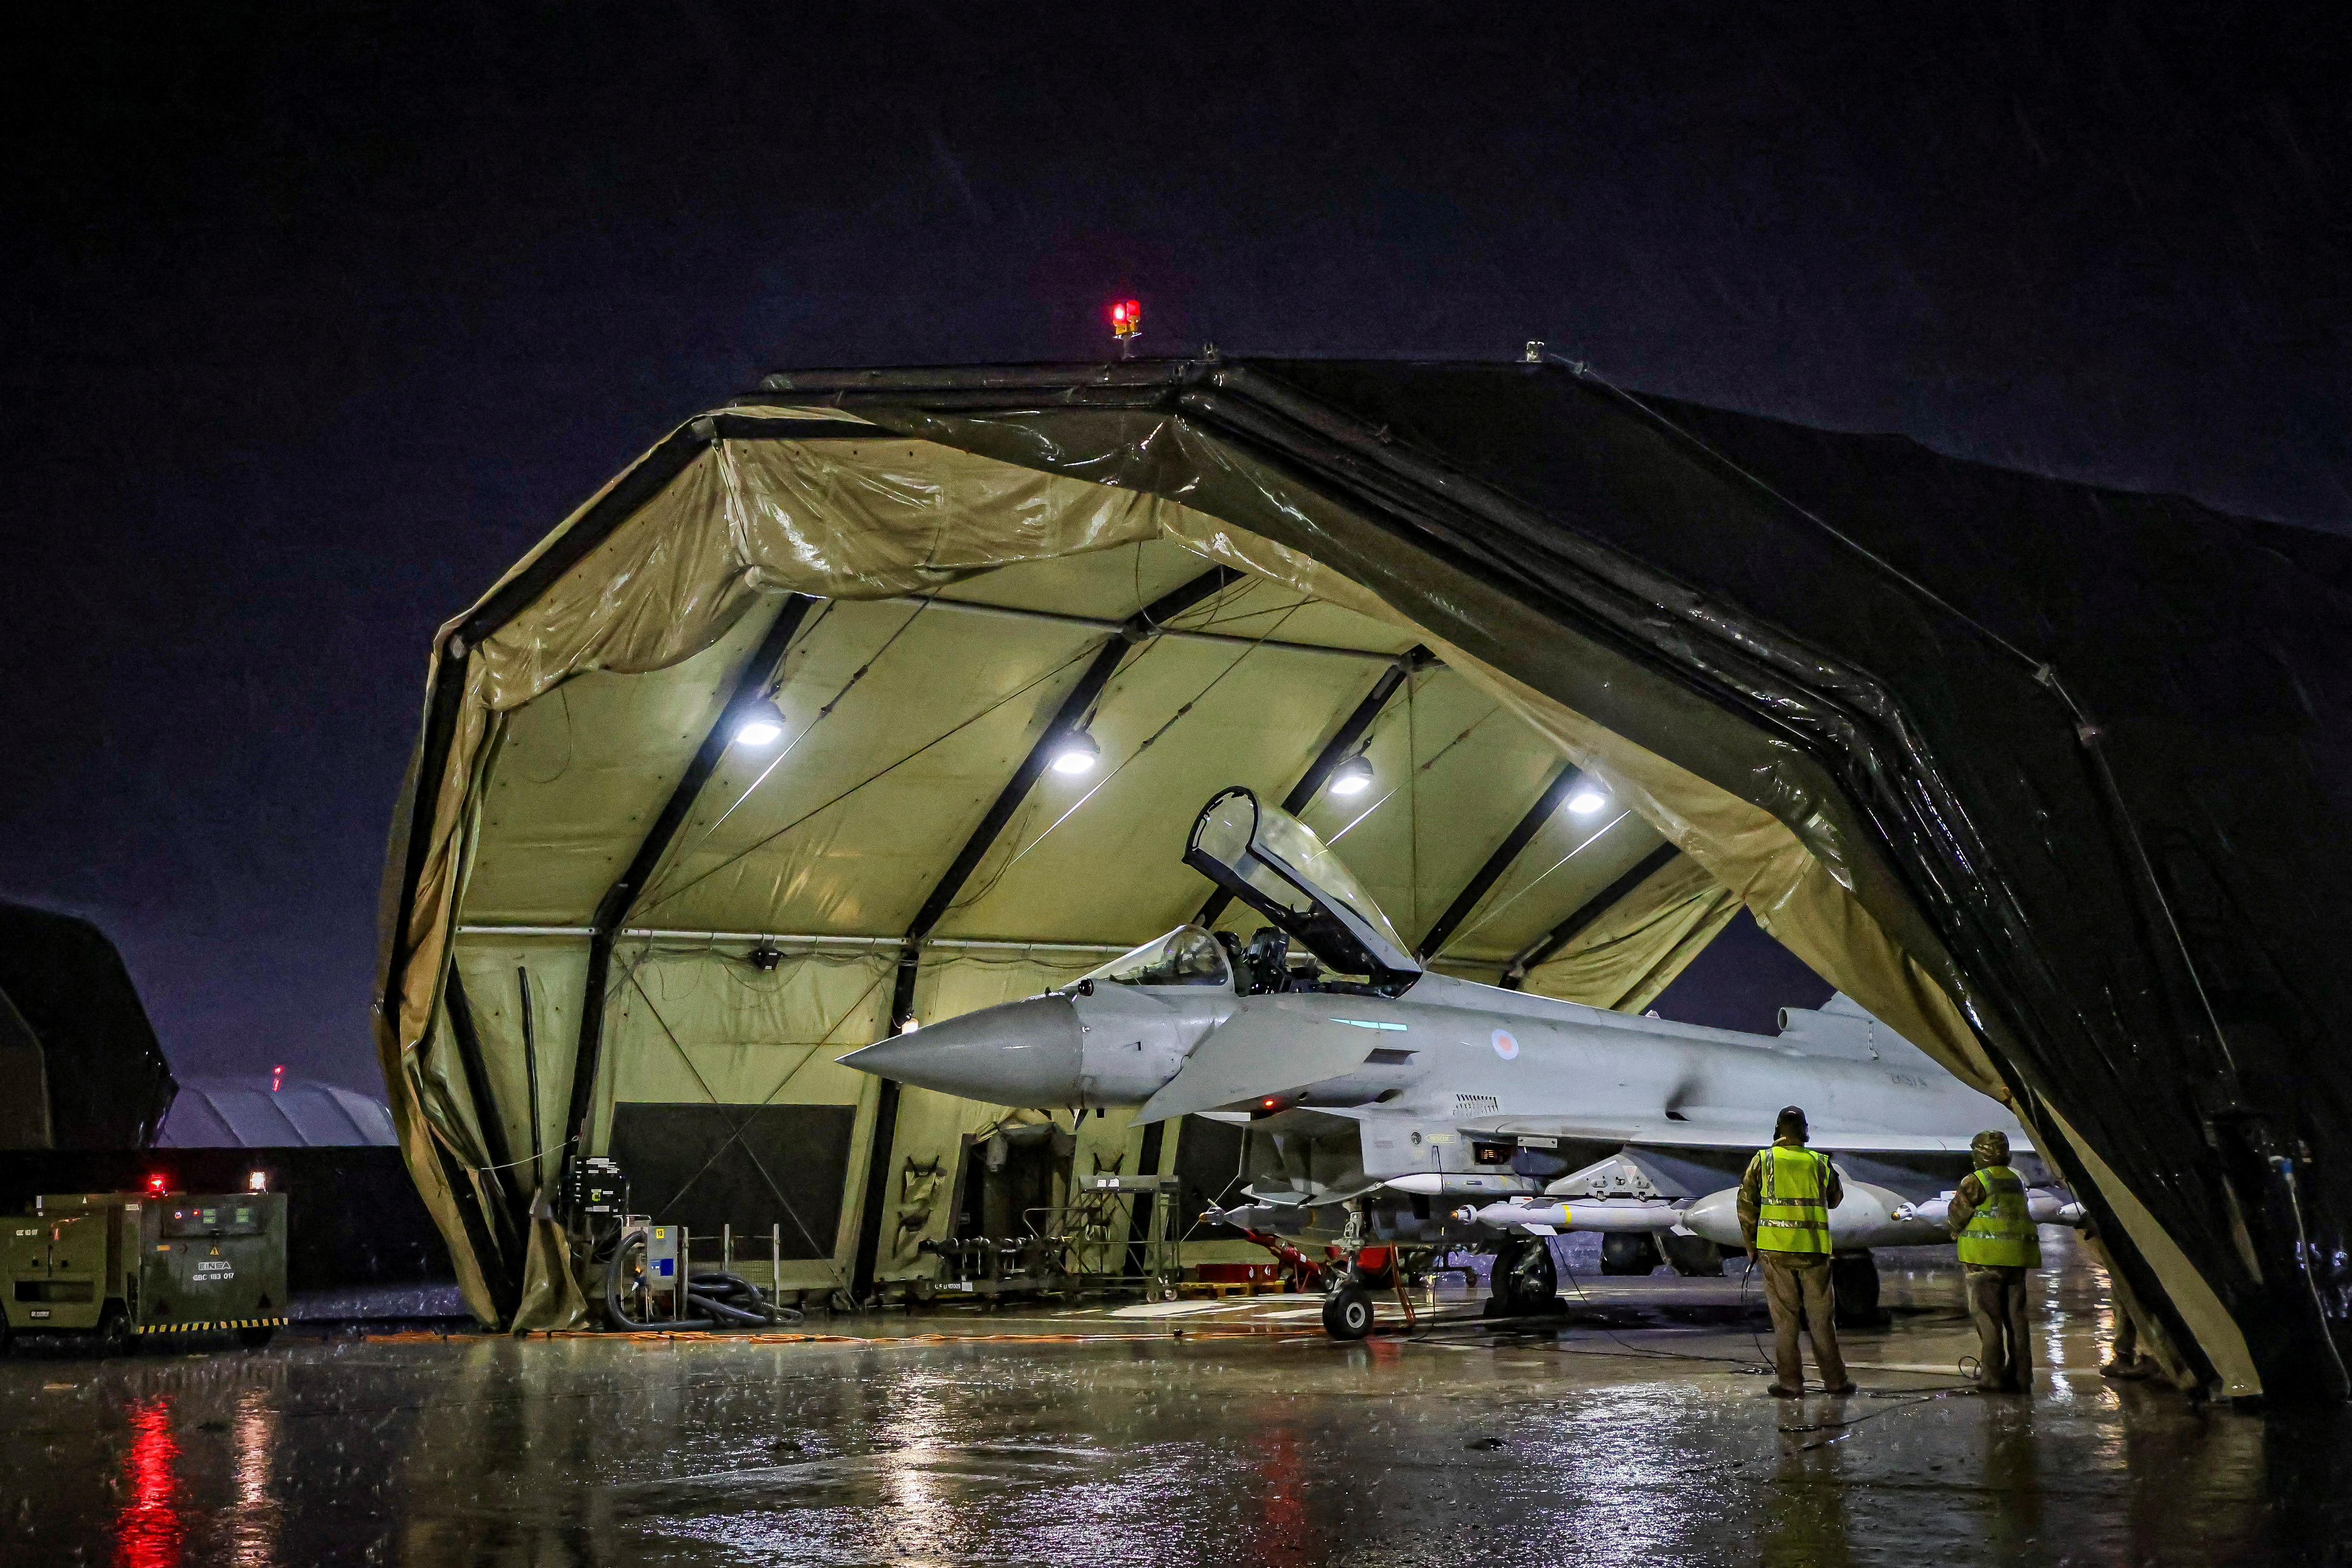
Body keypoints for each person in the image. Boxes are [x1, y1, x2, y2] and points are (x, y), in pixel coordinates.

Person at [1739, 1105, 1854, 1398]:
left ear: (1778, 1130)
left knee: (1785, 1323)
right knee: (1822, 1321)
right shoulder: (1819, 1162)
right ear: (1805, 1131)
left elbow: (1746, 1206)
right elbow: (1836, 1198)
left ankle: (1790, 1383)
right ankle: (1836, 1382)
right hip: (1814, 1252)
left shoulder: (1763, 1160)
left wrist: (1751, 1246)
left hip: (1775, 1252)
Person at [1946, 1128, 2040, 1393]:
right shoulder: (2016, 1180)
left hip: (1984, 1260)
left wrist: (1954, 1227)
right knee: (2017, 1319)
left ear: (1978, 1154)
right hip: (2016, 1259)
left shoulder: (1976, 1180)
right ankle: (2022, 1375)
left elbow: (1958, 1214)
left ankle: (1992, 1376)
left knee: (1988, 1318)